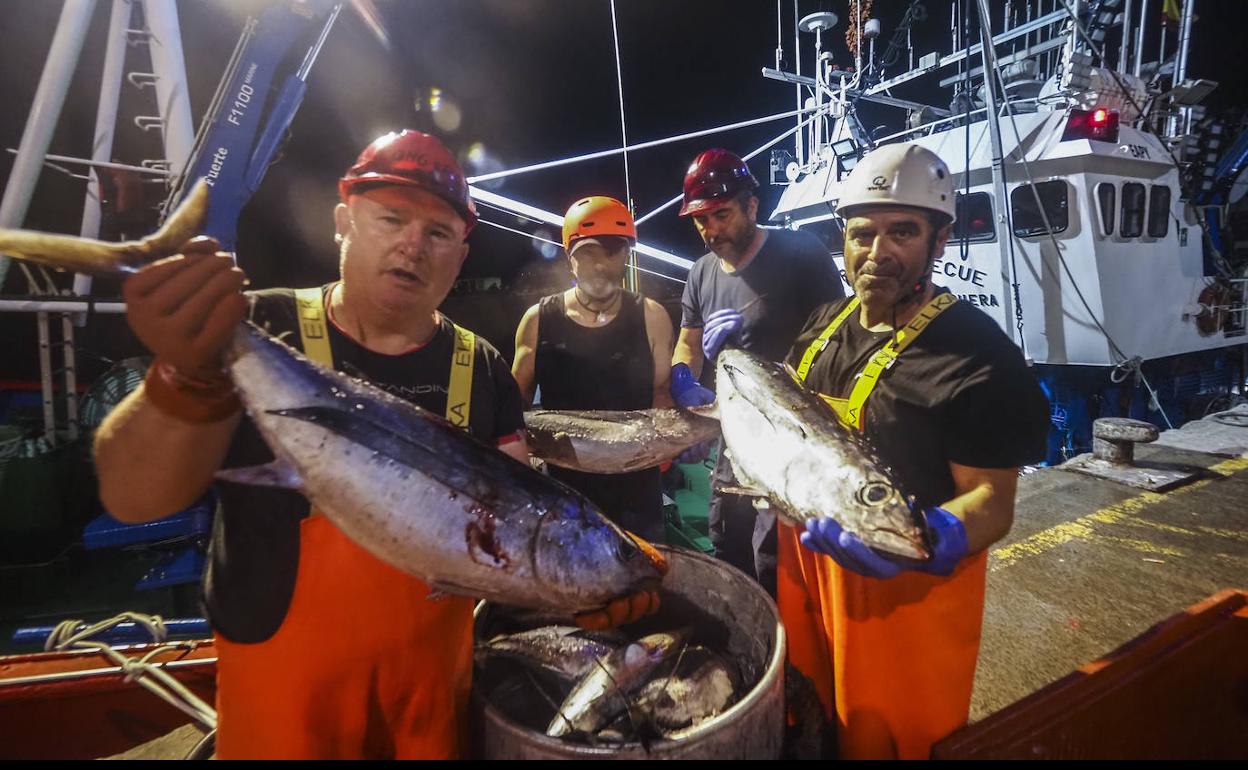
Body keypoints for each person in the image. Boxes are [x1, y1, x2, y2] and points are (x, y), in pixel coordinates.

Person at [93, 130, 659, 759]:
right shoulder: (257, 326)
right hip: (282, 693)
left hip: (427, 693)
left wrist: (569, 593)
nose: (412, 246)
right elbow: (131, 497)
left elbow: (513, 530)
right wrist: (182, 380)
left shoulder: (483, 368)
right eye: (391, 218)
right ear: (344, 221)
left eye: (438, 233)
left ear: (461, 252)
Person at [779, 143, 1050, 758]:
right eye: (862, 233)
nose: (878, 253)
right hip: (810, 568)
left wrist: (934, 541)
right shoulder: (824, 324)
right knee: (813, 717)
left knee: (893, 740)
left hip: (907, 590)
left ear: (940, 238)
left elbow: (992, 501)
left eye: (902, 232)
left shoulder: (978, 359)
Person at [669, 148, 844, 593]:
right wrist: (684, 379)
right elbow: (688, 342)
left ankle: (791, 653)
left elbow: (838, 343)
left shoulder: (802, 254)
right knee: (726, 537)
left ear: (752, 205)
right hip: (733, 438)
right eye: (701, 220)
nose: (710, 230)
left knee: (777, 554)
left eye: (721, 215)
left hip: (792, 442)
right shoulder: (701, 273)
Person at [511, 196, 675, 543]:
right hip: (564, 495)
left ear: (626, 256)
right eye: (588, 253)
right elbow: (514, 408)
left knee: (645, 586)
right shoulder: (539, 320)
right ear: (570, 258)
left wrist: (678, 439)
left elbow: (662, 396)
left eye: (612, 252)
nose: (600, 266)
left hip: (638, 492)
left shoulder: (653, 317)